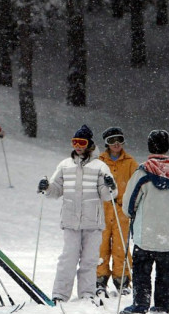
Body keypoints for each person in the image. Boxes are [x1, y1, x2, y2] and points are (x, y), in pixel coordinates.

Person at [37, 125, 117, 303]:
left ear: (89, 144)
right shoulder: (65, 165)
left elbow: (107, 195)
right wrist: (47, 187)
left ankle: (87, 294)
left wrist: (110, 185)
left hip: (93, 222)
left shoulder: (100, 166)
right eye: (74, 142)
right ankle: (60, 294)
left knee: (89, 260)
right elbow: (56, 190)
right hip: (71, 221)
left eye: (81, 142)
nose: (78, 146)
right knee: (68, 259)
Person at [120, 130, 169, 314]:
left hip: (145, 231)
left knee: (142, 270)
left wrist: (131, 213)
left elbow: (129, 203)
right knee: (165, 271)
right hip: (167, 232)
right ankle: (163, 305)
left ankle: (141, 304)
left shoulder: (143, 172)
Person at [96, 127, 138, 297]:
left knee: (121, 246)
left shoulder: (129, 162)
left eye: (119, 140)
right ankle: (99, 278)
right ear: (106, 143)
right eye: (112, 141)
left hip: (121, 210)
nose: (116, 144)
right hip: (103, 209)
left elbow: (136, 184)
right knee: (101, 245)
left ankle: (122, 279)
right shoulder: (99, 161)